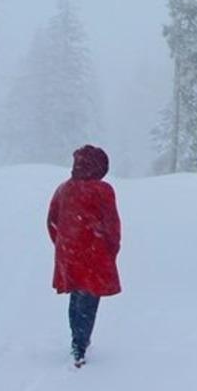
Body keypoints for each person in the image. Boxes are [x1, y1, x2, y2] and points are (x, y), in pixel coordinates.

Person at [46, 144, 121, 367]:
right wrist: (111, 249)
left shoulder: (63, 189)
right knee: (89, 298)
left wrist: (62, 244)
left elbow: (52, 221)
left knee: (76, 296)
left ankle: (76, 341)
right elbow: (112, 225)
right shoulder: (103, 190)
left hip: (70, 254)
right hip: (95, 254)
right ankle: (81, 343)